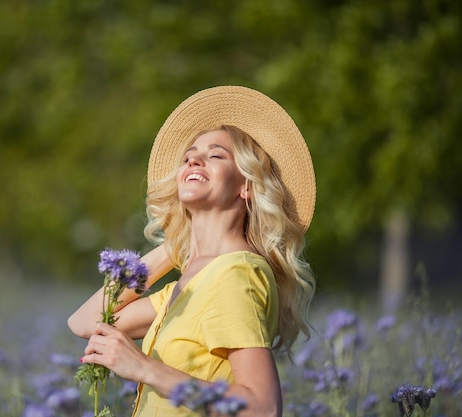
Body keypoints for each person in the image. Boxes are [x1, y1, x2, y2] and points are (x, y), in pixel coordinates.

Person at [68, 86, 316, 417]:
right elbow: (84, 322)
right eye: (189, 155)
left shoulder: (235, 275)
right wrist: (176, 247)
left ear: (247, 186)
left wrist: (143, 368)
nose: (193, 159)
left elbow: (263, 408)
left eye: (215, 155)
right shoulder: (190, 284)